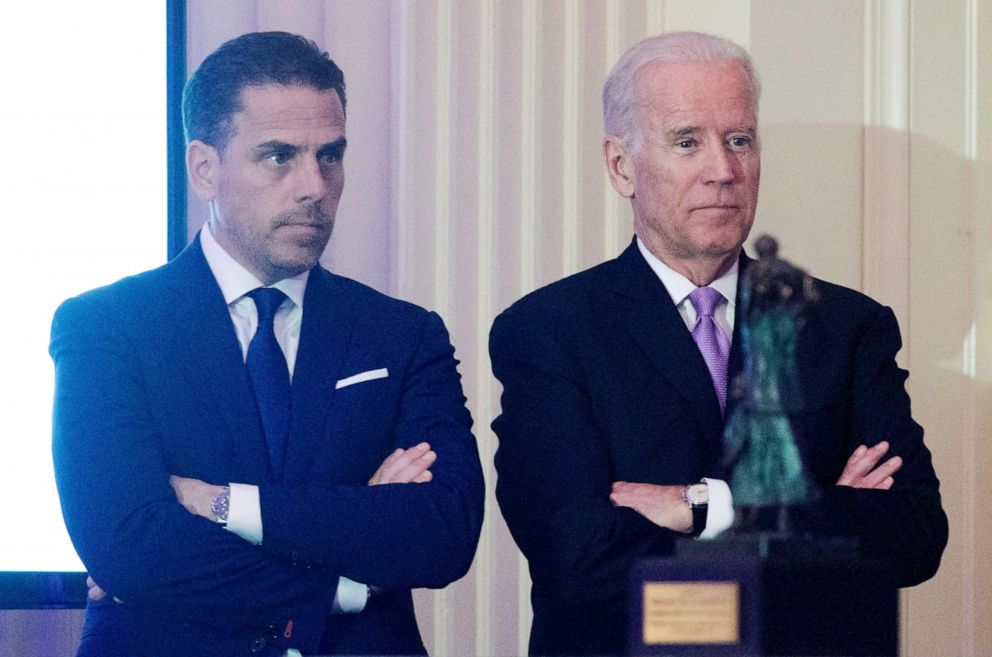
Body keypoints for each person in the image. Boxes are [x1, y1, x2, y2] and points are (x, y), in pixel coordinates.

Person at [489, 31, 947, 656]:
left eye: (740, 140)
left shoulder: (845, 325)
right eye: (687, 142)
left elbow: (916, 534)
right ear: (621, 165)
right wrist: (816, 523)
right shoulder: (549, 331)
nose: (723, 171)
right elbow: (579, 559)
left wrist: (705, 508)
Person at [51, 31, 484, 657]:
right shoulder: (105, 327)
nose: (314, 185)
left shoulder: (403, 334)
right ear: (204, 168)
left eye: (330, 156)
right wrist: (350, 577)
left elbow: (443, 533)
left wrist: (222, 506)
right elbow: (129, 547)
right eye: (280, 156)